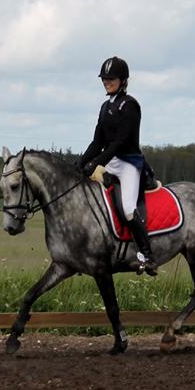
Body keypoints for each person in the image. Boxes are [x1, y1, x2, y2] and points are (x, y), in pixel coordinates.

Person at [78, 56, 157, 276]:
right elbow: (97, 143)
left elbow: (120, 142)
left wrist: (97, 162)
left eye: (111, 78)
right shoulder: (105, 107)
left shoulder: (130, 105)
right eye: (104, 78)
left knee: (129, 209)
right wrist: (81, 164)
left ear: (122, 80)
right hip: (111, 162)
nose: (106, 82)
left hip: (129, 163)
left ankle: (147, 255)